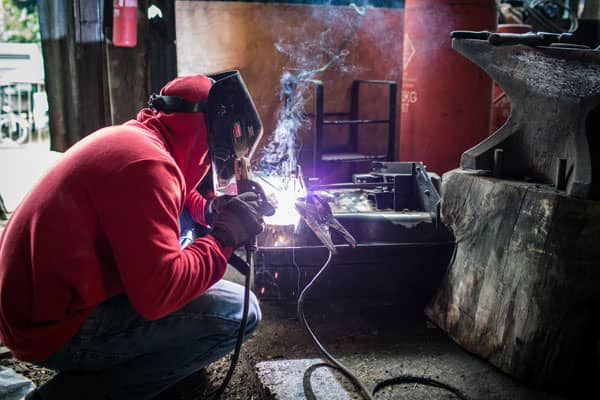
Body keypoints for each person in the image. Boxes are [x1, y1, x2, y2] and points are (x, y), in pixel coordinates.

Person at [0, 74, 266, 399]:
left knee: (188, 248)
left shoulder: (138, 140)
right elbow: (160, 296)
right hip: (50, 328)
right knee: (240, 312)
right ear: (209, 136)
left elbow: (177, 196)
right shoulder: (148, 168)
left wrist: (211, 211)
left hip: (33, 304)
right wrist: (225, 235)